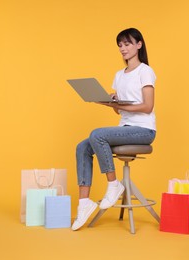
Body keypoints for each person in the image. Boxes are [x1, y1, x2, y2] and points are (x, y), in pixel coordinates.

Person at [71, 28, 157, 231]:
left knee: (97, 135)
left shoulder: (145, 71)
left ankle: (113, 184)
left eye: (127, 44)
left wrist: (122, 106)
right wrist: (113, 103)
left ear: (139, 44)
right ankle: (84, 204)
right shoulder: (119, 75)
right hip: (125, 128)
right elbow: (119, 114)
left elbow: (148, 106)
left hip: (144, 131)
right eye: (120, 45)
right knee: (82, 147)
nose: (123, 48)